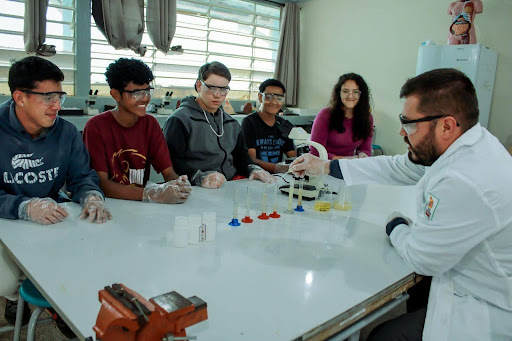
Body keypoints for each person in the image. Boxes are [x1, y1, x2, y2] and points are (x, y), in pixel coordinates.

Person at [290, 68, 512, 341]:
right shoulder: (470, 143)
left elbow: (423, 258)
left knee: (383, 335)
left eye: (409, 124)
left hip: (485, 307)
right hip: (463, 275)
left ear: (446, 126)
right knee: (416, 293)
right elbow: (399, 166)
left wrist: (396, 225)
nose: (401, 132)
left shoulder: (466, 178)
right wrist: (326, 165)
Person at [0, 56, 111, 331]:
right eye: (47, 97)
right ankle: (17, 297)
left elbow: (82, 177)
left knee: (94, 248)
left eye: (59, 96)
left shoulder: (67, 132)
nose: (57, 106)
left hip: (52, 214)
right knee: (5, 279)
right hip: (6, 218)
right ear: (20, 97)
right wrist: (24, 207)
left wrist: (91, 196)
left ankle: (61, 304)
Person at [83, 58, 191, 204]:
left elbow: (168, 172)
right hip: (108, 205)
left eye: (147, 91)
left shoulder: (150, 124)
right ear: (115, 94)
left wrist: (179, 184)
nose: (145, 99)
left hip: (140, 205)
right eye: (136, 93)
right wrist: (153, 194)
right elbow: (103, 184)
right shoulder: (96, 127)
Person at [163, 61, 275, 189]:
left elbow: (241, 157)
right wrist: (201, 177)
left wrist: (253, 169)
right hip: (193, 188)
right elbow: (172, 163)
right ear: (199, 86)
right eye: (211, 88)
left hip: (227, 186)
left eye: (223, 90)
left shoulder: (231, 123)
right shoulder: (180, 120)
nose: (217, 95)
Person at [309, 73, 373, 160]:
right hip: (324, 165)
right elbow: (315, 152)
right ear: (339, 93)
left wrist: (362, 157)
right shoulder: (325, 115)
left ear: (361, 95)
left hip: (350, 166)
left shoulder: (367, 118)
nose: (350, 96)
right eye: (345, 91)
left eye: (355, 92)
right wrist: (343, 160)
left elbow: (366, 150)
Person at [241, 79, 296, 174]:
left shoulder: (283, 124)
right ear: (260, 97)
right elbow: (251, 160)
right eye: (269, 97)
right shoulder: (249, 122)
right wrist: (278, 168)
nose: (274, 102)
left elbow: (293, 156)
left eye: (279, 98)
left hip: (279, 178)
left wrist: (295, 165)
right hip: (256, 176)